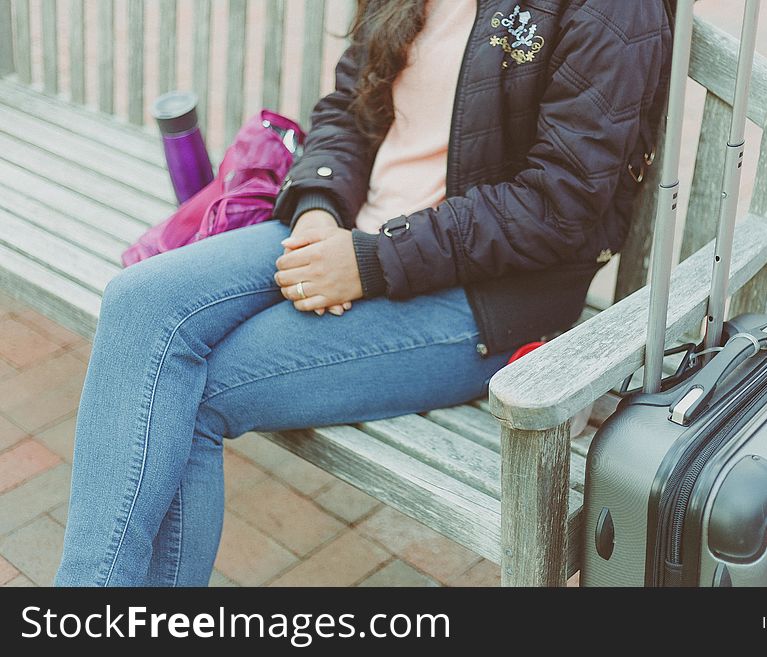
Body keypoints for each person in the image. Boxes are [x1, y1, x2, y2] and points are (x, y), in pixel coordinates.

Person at [55, 0, 672, 586]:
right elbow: (350, 107)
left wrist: (373, 261)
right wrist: (318, 209)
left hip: (481, 295)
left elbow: (556, 208)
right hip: (346, 232)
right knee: (140, 303)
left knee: (189, 389)